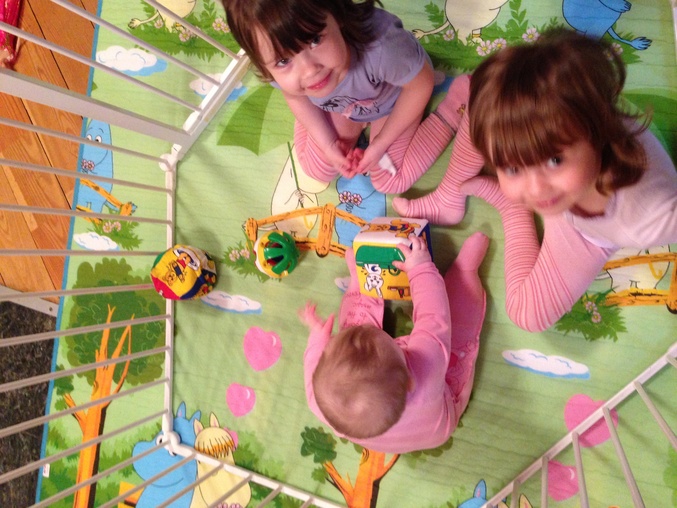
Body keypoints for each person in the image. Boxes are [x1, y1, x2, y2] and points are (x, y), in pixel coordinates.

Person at [394, 28, 677, 332]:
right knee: (488, 102)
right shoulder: (553, 177)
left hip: (590, 234)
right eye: (512, 169)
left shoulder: (651, 215)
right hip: (570, 198)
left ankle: (512, 209)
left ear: (599, 131)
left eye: (554, 160)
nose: (535, 189)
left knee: (526, 315)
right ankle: (449, 195)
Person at [222, 0, 467, 194]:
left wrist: (380, 143)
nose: (309, 71)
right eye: (284, 61)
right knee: (315, 169)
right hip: (342, 107)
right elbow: (295, 97)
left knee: (390, 181)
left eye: (315, 40)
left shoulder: (383, 48)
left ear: (337, 14)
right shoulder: (277, 63)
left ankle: (454, 108)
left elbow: (420, 85)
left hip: (397, 99)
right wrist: (328, 144)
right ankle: (335, 126)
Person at [299, 232, 488, 453]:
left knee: (352, 337)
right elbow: (433, 315)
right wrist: (420, 268)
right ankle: (464, 273)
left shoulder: (325, 403)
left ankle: (364, 282)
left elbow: (313, 370)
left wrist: (318, 337)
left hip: (376, 434)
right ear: (409, 381)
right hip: (438, 424)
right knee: (458, 338)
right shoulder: (427, 368)